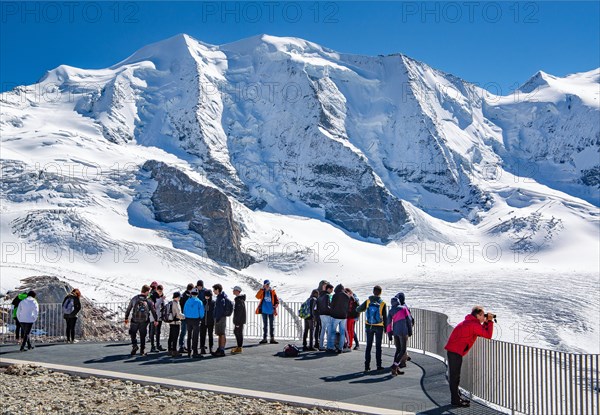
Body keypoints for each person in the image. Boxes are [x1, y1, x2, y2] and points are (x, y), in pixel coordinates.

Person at [445, 306, 494, 408]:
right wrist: (490, 322)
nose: (484, 317)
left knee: (456, 377)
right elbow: (488, 335)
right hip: (455, 351)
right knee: (454, 377)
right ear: (478, 315)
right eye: (483, 315)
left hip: (454, 350)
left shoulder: (471, 322)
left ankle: (457, 397)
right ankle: (455, 400)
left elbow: (481, 332)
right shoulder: (473, 324)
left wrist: (486, 322)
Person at [356, 285, 388, 373]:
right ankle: (379, 365)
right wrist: (386, 328)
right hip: (379, 326)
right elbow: (385, 317)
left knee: (368, 346)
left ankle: (367, 366)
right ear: (380, 293)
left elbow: (358, 309)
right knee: (378, 347)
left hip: (369, 325)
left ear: (373, 292)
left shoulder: (368, 301)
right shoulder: (382, 303)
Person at [125, 285, 158, 356]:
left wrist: (126, 318)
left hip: (134, 320)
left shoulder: (134, 298)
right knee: (143, 335)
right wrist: (156, 319)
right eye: (148, 292)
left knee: (133, 333)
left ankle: (134, 345)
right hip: (144, 321)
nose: (149, 293)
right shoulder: (148, 300)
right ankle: (142, 350)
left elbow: (129, 308)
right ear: (146, 292)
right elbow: (153, 311)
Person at [386, 293, 413, 376]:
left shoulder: (391, 311)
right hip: (403, 331)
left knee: (398, 350)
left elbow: (388, 323)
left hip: (395, 332)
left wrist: (390, 334)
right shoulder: (404, 308)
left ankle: (395, 369)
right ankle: (395, 366)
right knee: (403, 350)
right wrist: (410, 331)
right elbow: (409, 320)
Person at [255, 280, 279, 344]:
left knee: (272, 325)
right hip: (264, 311)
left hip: (271, 311)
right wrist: (262, 290)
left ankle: (272, 338)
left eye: (268, 284)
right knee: (265, 325)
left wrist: (276, 304)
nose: (267, 285)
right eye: (266, 284)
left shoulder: (272, 292)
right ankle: (264, 338)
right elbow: (257, 297)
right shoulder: (262, 291)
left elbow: (276, 300)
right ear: (264, 285)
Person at [183, 288, 205, 358]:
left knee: (189, 335)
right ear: (197, 294)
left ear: (191, 294)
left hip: (188, 319)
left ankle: (189, 351)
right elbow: (202, 312)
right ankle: (195, 351)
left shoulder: (187, 301)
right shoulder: (199, 302)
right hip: (196, 320)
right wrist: (200, 317)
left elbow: (184, 311)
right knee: (195, 336)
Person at [330, 284, 350, 353]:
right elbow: (348, 307)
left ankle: (332, 347)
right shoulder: (347, 296)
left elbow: (332, 305)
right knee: (342, 332)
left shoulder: (335, 295)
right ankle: (340, 348)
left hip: (335, 316)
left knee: (333, 332)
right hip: (344, 316)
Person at [212, 284, 230, 357]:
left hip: (220, 318)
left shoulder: (221, 298)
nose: (213, 291)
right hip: (220, 317)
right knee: (220, 334)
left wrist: (218, 317)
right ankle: (220, 348)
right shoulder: (220, 297)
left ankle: (221, 349)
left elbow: (220, 309)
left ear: (217, 290)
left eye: (214, 290)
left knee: (221, 333)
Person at [166, 292, 185, 357]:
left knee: (171, 336)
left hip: (171, 322)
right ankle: (174, 350)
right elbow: (179, 314)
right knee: (175, 337)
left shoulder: (171, 302)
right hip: (176, 322)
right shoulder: (176, 304)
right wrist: (184, 316)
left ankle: (170, 350)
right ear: (177, 297)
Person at [317, 283, 334, 351]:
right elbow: (328, 305)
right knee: (329, 330)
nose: (332, 291)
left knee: (323, 330)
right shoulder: (327, 296)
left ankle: (321, 345)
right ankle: (329, 346)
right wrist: (331, 311)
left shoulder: (320, 296)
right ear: (328, 289)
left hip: (321, 314)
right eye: (331, 290)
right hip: (327, 314)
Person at [149, 285, 166, 353]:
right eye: (159, 291)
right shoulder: (153, 296)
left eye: (161, 291)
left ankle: (158, 345)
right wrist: (161, 299)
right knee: (153, 331)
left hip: (159, 316)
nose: (160, 292)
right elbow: (154, 306)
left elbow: (162, 305)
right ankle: (153, 346)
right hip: (153, 316)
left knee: (158, 332)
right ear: (157, 290)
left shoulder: (161, 297)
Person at [178, 283, 194, 353]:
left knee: (184, 331)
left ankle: (183, 345)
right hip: (185, 316)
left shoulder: (184, 295)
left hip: (185, 315)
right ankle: (181, 346)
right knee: (184, 331)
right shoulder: (186, 296)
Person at [313, 280, 329, 349]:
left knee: (321, 328)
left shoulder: (324, 293)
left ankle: (320, 342)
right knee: (317, 328)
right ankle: (316, 342)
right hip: (317, 313)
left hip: (321, 313)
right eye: (325, 285)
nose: (325, 286)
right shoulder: (318, 292)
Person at [231, 286, 246, 354]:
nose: (233, 291)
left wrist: (237, 322)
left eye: (234, 290)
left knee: (238, 332)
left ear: (237, 291)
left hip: (239, 321)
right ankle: (239, 346)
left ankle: (240, 347)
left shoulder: (239, 300)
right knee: (237, 332)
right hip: (239, 320)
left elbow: (239, 312)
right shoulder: (238, 299)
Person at [200, 290, 215, 354]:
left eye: (208, 296)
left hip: (210, 321)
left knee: (210, 335)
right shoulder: (202, 302)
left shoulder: (213, 303)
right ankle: (202, 348)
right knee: (202, 335)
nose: (207, 297)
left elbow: (214, 312)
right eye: (206, 296)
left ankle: (211, 348)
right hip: (203, 321)